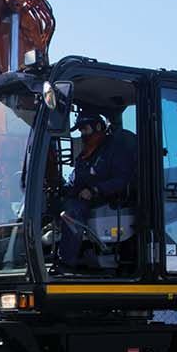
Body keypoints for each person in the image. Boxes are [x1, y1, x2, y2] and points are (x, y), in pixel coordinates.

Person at [55, 111, 136, 269]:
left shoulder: (114, 149)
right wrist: (61, 190)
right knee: (53, 204)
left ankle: (66, 262)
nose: (83, 134)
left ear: (98, 127)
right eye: (81, 131)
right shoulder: (85, 155)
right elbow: (74, 181)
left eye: (85, 129)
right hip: (84, 199)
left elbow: (122, 180)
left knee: (73, 212)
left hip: (107, 198)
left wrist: (95, 190)